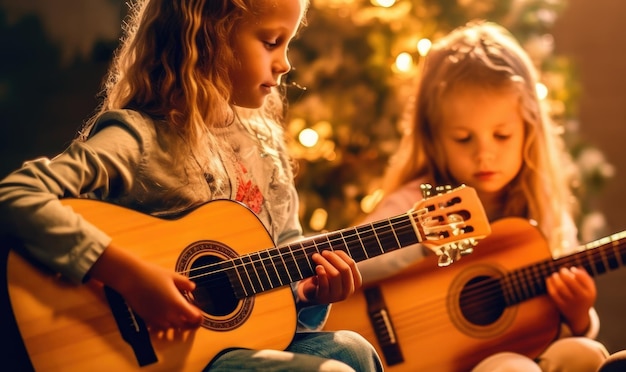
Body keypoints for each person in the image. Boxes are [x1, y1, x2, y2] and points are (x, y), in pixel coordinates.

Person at [0, 0, 383, 371]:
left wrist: (307, 293)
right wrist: (128, 276)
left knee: (353, 351)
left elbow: (278, 265)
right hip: (160, 356)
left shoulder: (265, 151)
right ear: (208, 37)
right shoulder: (142, 138)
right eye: (271, 42)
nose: (285, 63)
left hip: (231, 346)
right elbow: (15, 195)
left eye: (288, 44)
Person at [356, 20, 608, 371]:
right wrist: (418, 239)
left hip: (520, 354)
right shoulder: (420, 201)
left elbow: (555, 328)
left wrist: (580, 317)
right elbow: (352, 262)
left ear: (528, 131)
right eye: (463, 138)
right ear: (434, 139)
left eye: (501, 135)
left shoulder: (542, 206)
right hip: (429, 362)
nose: (484, 155)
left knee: (587, 353)